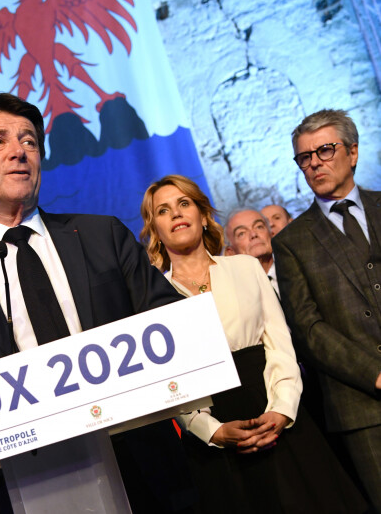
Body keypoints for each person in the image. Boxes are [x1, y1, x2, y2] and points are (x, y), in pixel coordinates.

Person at [0, 92, 194, 513]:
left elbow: (172, 324)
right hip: (30, 484)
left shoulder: (103, 236)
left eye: (29, 141)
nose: (18, 152)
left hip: (141, 465)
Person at [140, 174, 367, 514]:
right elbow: (170, 384)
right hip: (217, 440)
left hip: (280, 418)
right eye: (163, 210)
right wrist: (210, 430)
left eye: (184, 203)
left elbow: (280, 344)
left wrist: (281, 409)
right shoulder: (151, 296)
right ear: (154, 228)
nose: (176, 214)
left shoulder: (245, 268)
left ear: (203, 216)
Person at [272, 108, 381, 512]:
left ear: (352, 153)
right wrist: (374, 374)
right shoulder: (291, 242)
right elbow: (308, 330)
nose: (314, 162)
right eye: (305, 157)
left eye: (325, 150)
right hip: (362, 408)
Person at [224, 208, 279, 296]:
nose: (253, 235)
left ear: (271, 234)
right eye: (241, 233)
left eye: (259, 227)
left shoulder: (294, 267)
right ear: (231, 252)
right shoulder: (232, 294)